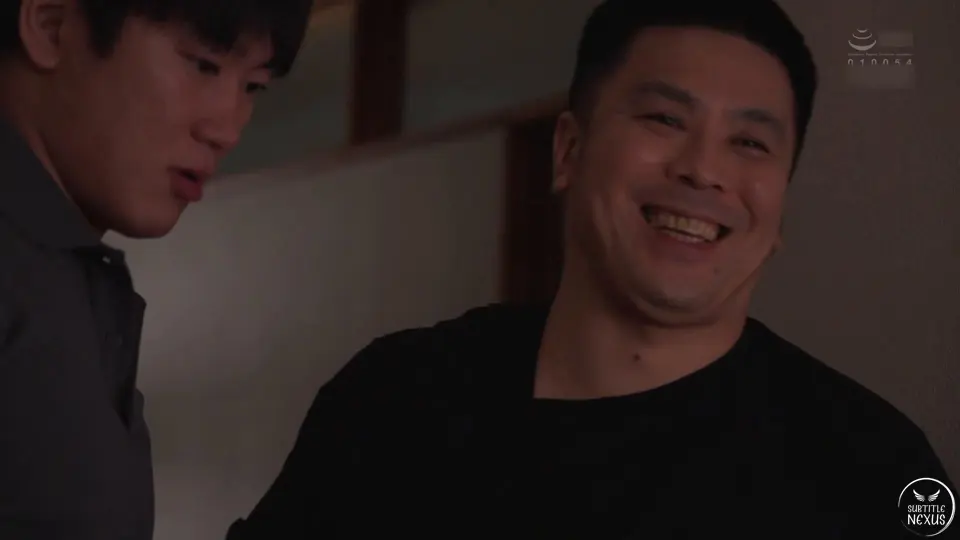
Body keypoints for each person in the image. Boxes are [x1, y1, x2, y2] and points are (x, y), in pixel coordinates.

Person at [227, 0, 957, 538]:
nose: (703, 170)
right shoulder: (395, 402)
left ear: (780, 208)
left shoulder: (872, 468)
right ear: (569, 151)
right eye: (666, 120)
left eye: (751, 144)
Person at [0, 0, 312, 538]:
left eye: (253, 86)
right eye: (203, 65)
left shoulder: (67, 276)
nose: (227, 129)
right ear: (51, 25)